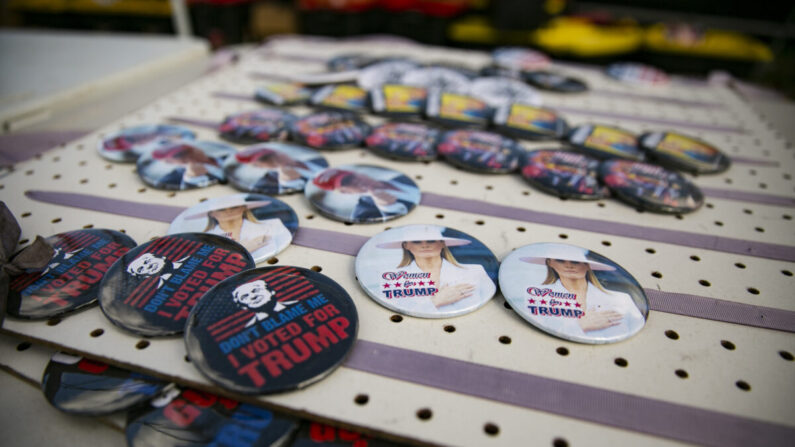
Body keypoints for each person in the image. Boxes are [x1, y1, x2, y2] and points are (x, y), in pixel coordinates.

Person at [520, 244, 645, 340]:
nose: (569, 266)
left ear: (587, 265)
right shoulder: (536, 295)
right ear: (550, 263)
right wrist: (579, 325)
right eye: (560, 260)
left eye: (575, 261)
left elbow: (637, 331)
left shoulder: (622, 299)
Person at [375, 225, 496, 315]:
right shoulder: (391, 279)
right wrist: (434, 302)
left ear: (442, 243)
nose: (425, 245)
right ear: (406, 246)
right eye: (416, 242)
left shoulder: (475, 271)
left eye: (431, 240)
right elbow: (391, 312)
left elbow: (492, 308)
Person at [183, 196, 291, 258]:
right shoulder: (205, 241)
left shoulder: (272, 225)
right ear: (212, 214)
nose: (229, 211)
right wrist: (241, 250)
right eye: (222, 209)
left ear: (243, 208)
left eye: (234, 207)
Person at [311, 168, 416, 221]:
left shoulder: (402, 177)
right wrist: (388, 208)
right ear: (345, 192)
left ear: (360, 174)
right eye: (346, 183)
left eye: (352, 177)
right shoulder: (361, 214)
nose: (355, 182)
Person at [230, 146, 325, 194]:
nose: (274, 162)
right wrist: (288, 182)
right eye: (264, 160)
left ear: (280, 153)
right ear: (259, 166)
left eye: (269, 156)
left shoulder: (318, 160)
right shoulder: (267, 182)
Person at [148, 144, 225, 189]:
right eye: (177, 156)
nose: (187, 156)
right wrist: (191, 178)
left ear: (196, 148)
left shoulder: (226, 158)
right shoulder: (171, 179)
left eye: (186, 151)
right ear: (170, 162)